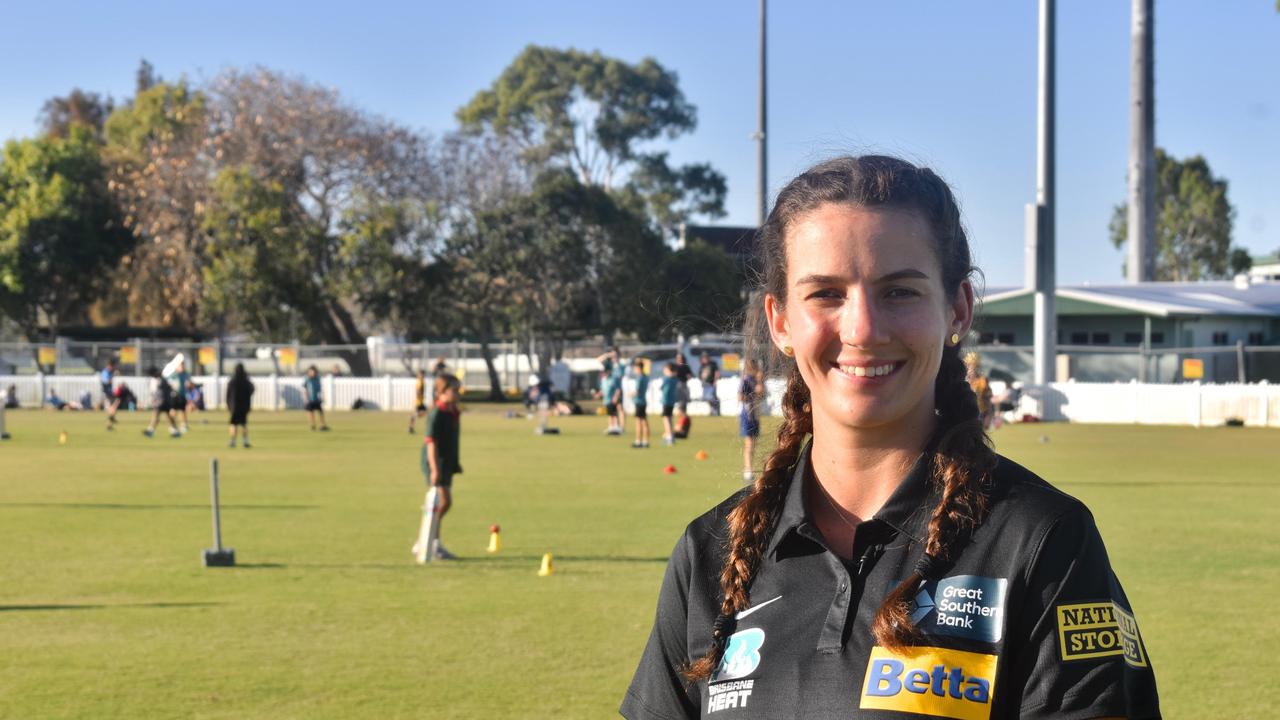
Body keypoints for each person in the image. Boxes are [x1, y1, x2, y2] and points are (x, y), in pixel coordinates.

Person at [621, 155, 1159, 719]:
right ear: (780, 322)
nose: (862, 330)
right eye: (826, 294)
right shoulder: (711, 552)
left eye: (899, 292)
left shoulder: (1042, 541)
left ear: (957, 309)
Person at [420, 373, 462, 560]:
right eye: (454, 390)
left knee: (443, 504)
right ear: (441, 392)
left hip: (447, 462)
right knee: (444, 502)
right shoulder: (437, 413)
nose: (458, 393)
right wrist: (435, 469)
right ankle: (427, 541)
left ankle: (432, 541)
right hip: (435, 461)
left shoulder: (452, 411)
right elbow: (431, 443)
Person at [737, 357, 763, 483]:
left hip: (755, 416)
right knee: (749, 444)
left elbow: (762, 395)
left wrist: (760, 382)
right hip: (747, 414)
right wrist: (752, 394)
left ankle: (750, 468)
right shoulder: (746, 381)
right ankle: (748, 470)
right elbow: (740, 397)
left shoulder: (756, 381)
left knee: (753, 444)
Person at [143, 366, 180, 438]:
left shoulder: (159, 380)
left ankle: (151, 430)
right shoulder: (159, 379)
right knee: (166, 416)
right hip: (163, 401)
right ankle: (174, 430)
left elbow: (156, 391)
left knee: (157, 416)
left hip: (162, 401)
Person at [226, 363, 255, 448]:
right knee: (243, 424)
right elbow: (252, 389)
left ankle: (232, 441)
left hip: (234, 406)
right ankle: (245, 441)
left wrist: (229, 405)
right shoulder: (246, 381)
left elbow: (227, 395)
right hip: (244, 406)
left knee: (233, 424)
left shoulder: (232, 381)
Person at [966, 351, 996, 431]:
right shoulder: (962, 380)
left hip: (981, 412)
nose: (971, 369)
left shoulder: (983, 381)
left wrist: (989, 415)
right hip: (966, 413)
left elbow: (988, 399)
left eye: (974, 366)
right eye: (969, 366)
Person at [163, 353, 192, 433]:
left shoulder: (185, 374)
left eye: (183, 365)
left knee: (183, 411)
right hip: (174, 395)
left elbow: (189, 383)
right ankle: (172, 425)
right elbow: (167, 380)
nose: (182, 366)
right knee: (173, 411)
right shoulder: (173, 374)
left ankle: (183, 425)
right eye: (181, 365)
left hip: (182, 395)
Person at [630, 357, 651, 449]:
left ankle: (638, 441)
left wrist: (630, 394)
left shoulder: (640, 378)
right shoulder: (646, 377)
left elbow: (637, 391)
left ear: (638, 368)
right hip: (644, 401)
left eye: (635, 368)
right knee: (644, 421)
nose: (634, 370)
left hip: (639, 401)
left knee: (639, 422)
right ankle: (645, 441)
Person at [303, 365, 329, 431]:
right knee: (310, 412)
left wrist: (322, 397)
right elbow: (305, 390)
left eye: (314, 372)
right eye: (311, 372)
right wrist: (306, 398)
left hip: (317, 399)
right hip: (310, 399)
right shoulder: (307, 379)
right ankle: (312, 425)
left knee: (320, 412)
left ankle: (322, 425)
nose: (312, 373)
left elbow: (320, 389)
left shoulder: (317, 379)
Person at [659, 363, 679, 446]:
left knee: (666, 418)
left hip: (666, 401)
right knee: (670, 418)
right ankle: (671, 436)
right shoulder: (675, 379)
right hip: (672, 401)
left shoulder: (667, 379)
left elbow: (662, 388)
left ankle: (669, 436)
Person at [671, 352, 694, 420]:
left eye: (680, 358)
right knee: (678, 400)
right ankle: (680, 413)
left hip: (683, 384)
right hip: (676, 384)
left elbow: (690, 375)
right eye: (678, 358)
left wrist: (687, 377)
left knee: (683, 400)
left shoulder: (685, 366)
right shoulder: (675, 366)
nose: (679, 359)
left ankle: (683, 414)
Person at [408, 369, 428, 434]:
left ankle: (411, 427)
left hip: (420, 401)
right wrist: (419, 396)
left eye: (423, 374)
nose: (422, 376)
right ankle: (411, 425)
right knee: (426, 412)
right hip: (419, 401)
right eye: (421, 374)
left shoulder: (421, 381)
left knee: (425, 413)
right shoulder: (419, 382)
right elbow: (418, 391)